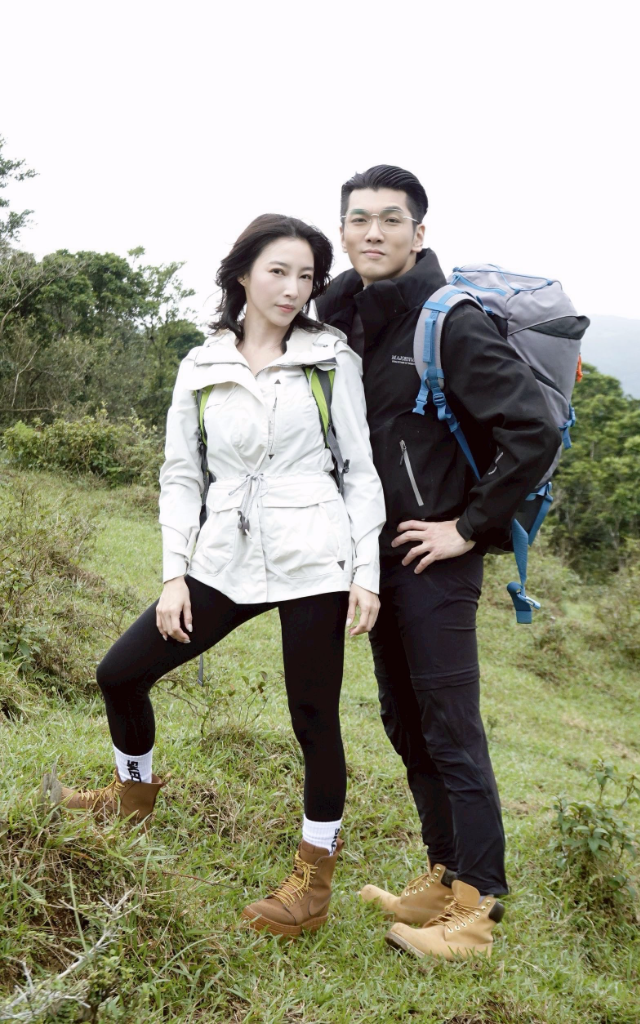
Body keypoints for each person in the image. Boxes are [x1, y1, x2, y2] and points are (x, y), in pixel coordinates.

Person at [49, 214, 386, 938]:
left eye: (306, 277)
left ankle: (312, 886)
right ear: (242, 274)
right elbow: (181, 475)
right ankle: (131, 800)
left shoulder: (331, 359)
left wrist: (367, 571)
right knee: (120, 673)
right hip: (224, 556)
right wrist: (174, 575)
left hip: (313, 554)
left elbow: (359, 471)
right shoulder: (201, 365)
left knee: (313, 717)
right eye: (278, 271)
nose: (292, 289)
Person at [315, 166, 561, 960]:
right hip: (376, 555)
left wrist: (468, 527)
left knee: (451, 726)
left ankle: (479, 910)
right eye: (359, 219)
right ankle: (446, 874)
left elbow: (533, 431)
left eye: (391, 219)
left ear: (419, 232)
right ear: (343, 232)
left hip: (436, 560)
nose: (374, 231)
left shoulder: (446, 320)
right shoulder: (347, 316)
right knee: (405, 718)